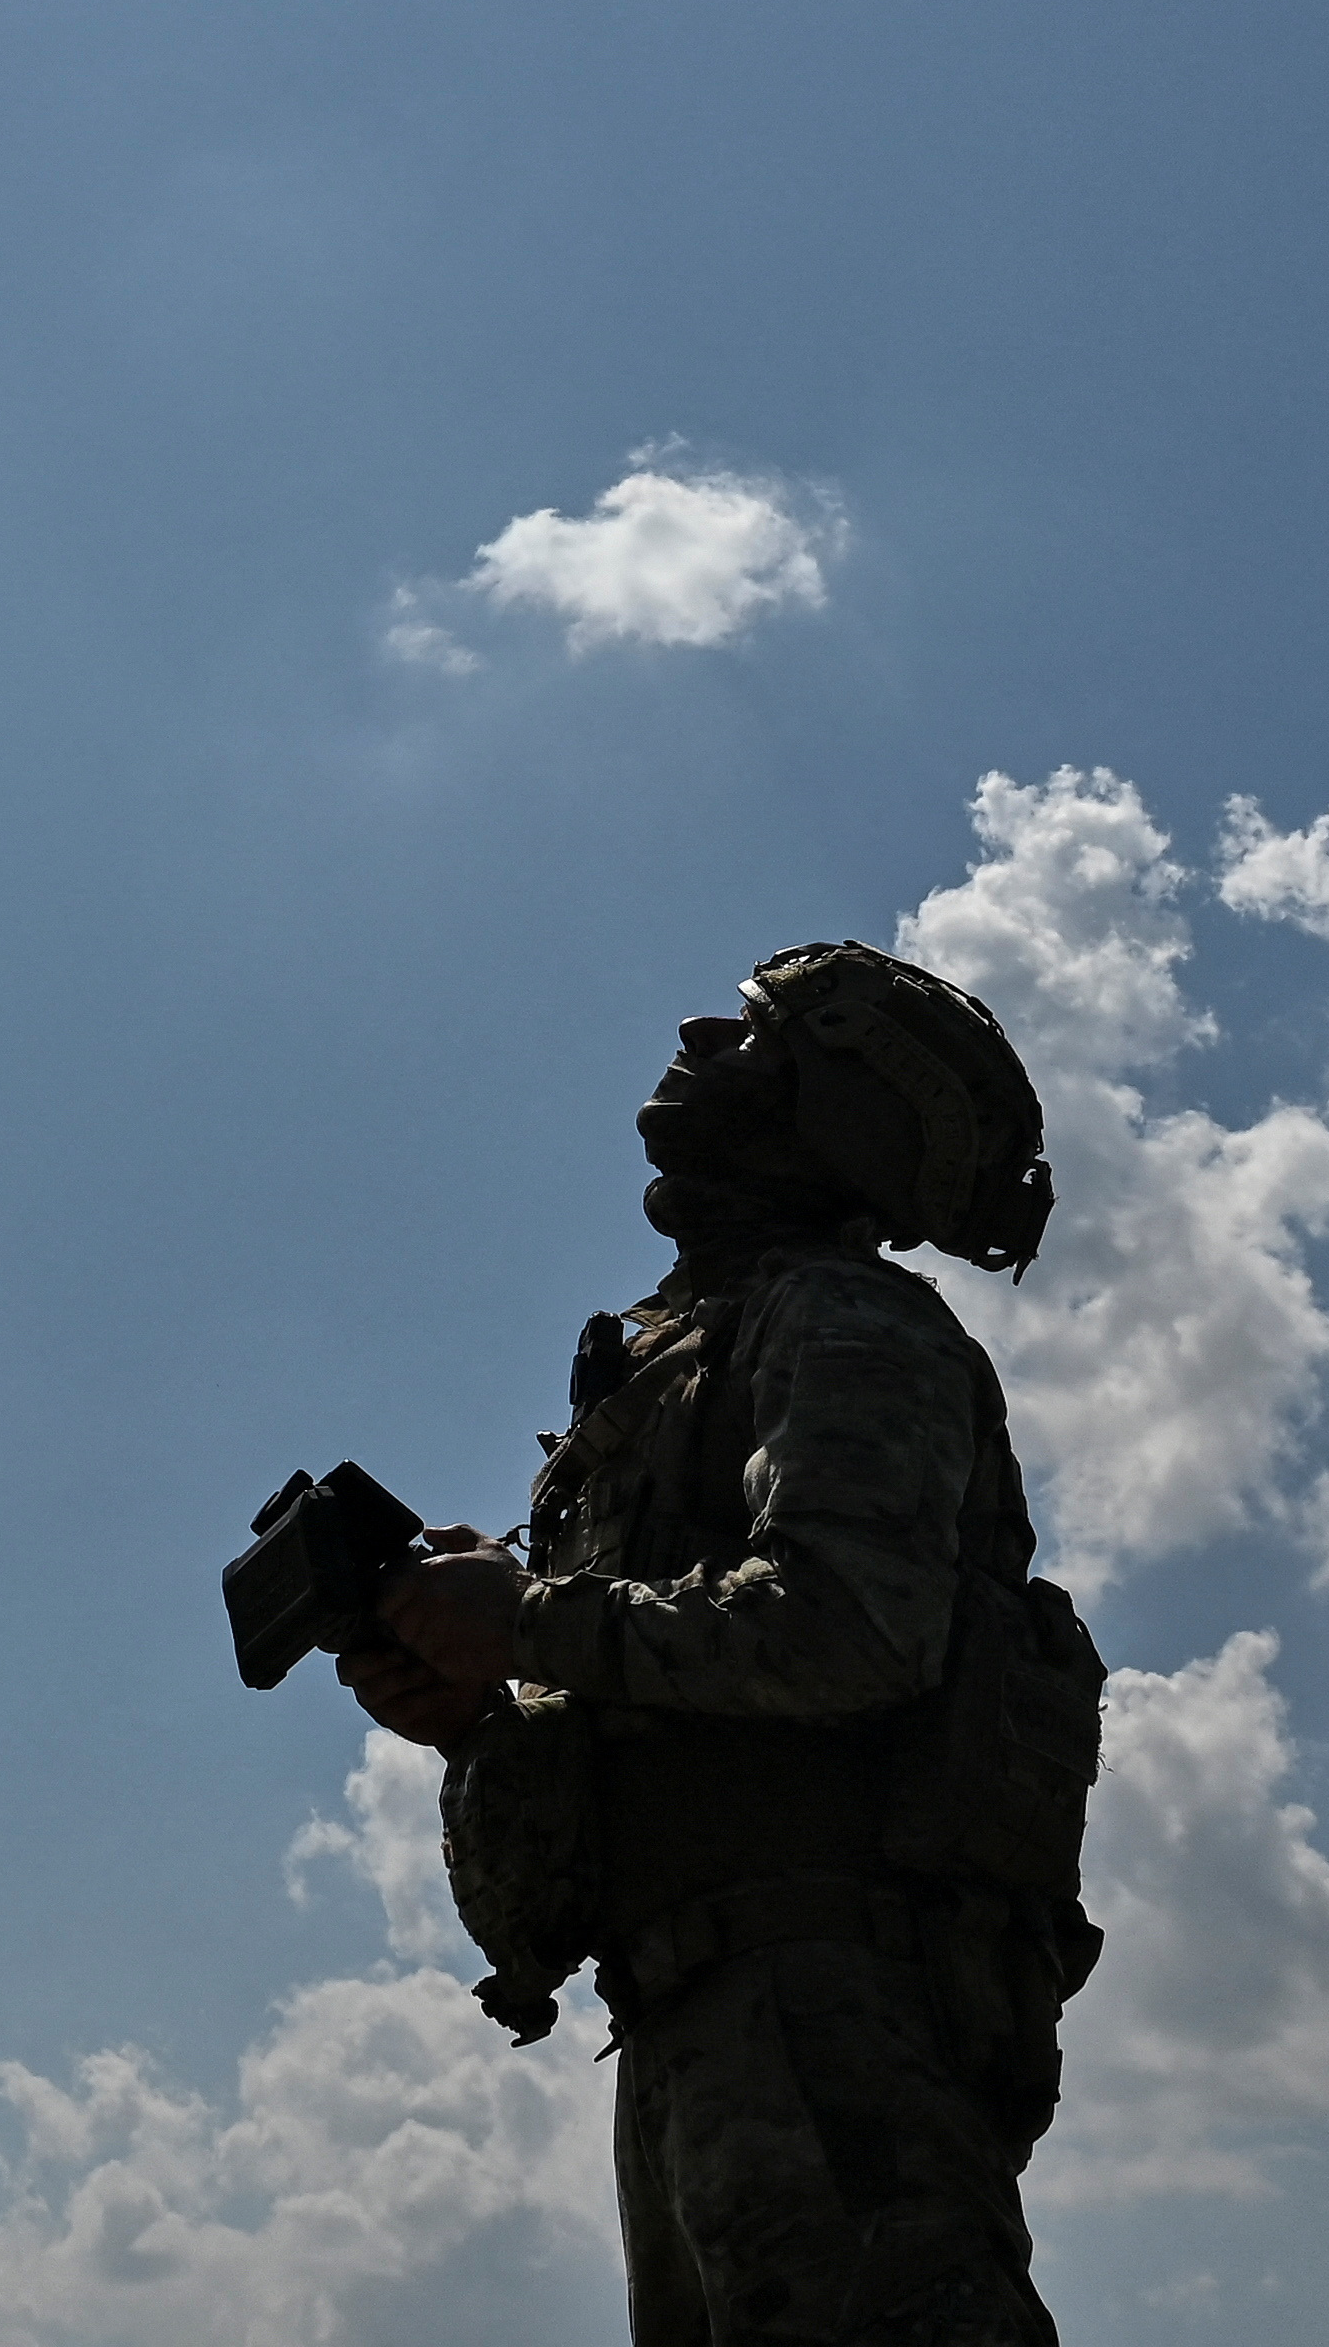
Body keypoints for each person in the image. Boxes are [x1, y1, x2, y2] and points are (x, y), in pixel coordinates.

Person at [340, 941, 1100, 2347]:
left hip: (830, 2020)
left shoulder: (849, 1325)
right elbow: (598, 1800)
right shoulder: (681, 1362)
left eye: (757, 1036)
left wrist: (521, 1621)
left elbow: (849, 1626)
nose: (699, 1033)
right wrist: (475, 1721)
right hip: (701, 2033)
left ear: (835, 1116)